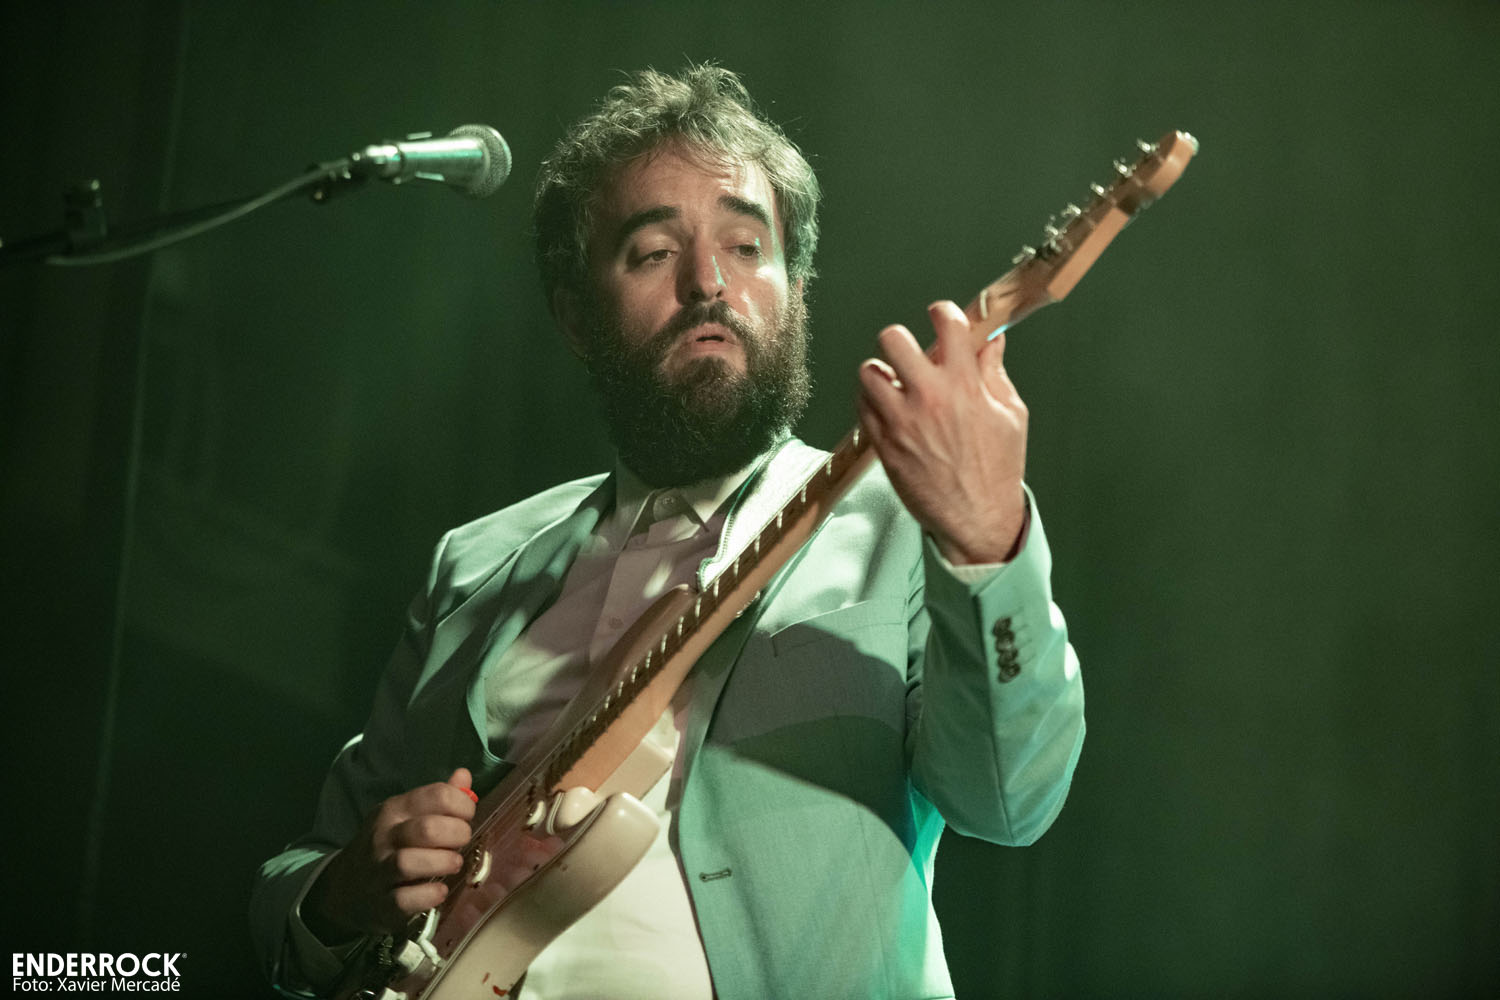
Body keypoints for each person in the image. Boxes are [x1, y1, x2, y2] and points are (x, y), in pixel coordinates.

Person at [251, 64, 1084, 999]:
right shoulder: (474, 564)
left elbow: (1010, 798)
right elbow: (293, 891)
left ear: (797, 287)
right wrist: (344, 894)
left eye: (747, 246)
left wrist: (986, 545)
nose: (708, 284)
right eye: (652, 253)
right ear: (576, 316)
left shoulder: (902, 525)